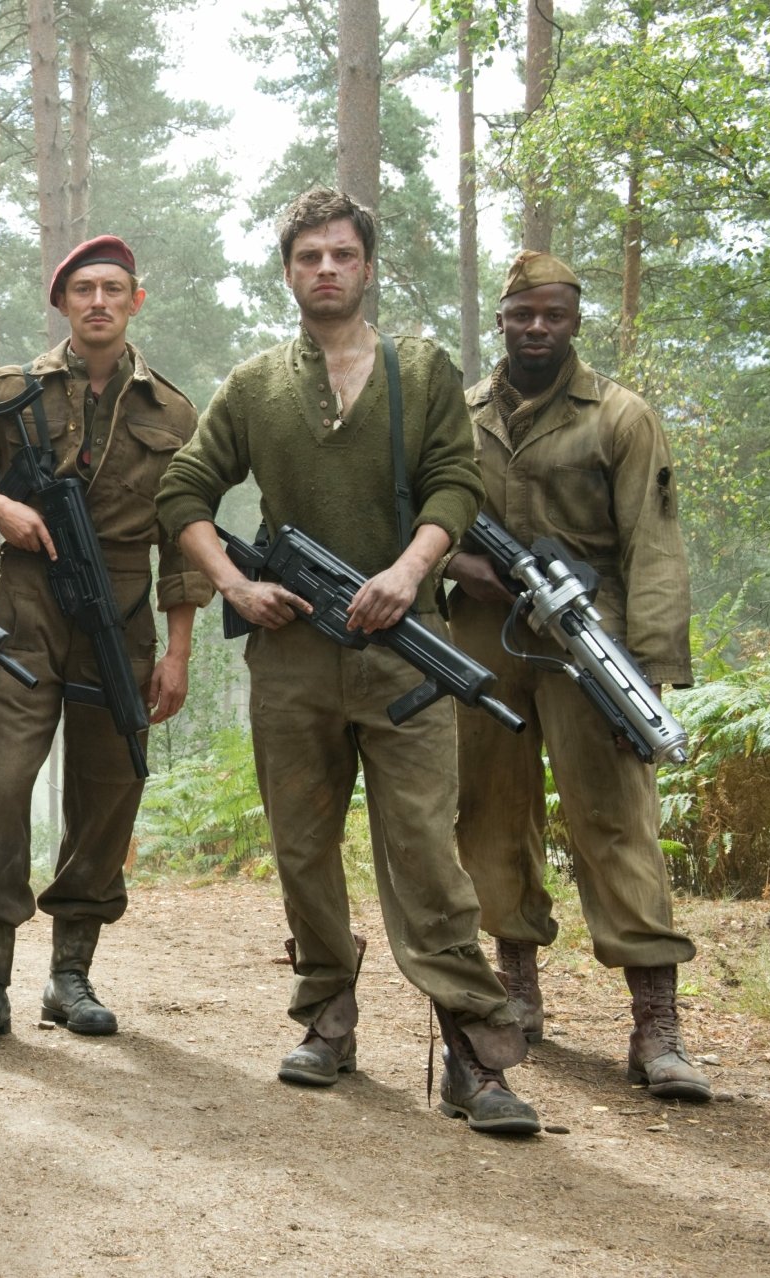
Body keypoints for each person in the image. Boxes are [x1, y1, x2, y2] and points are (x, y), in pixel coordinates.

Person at [155, 188, 540, 1134]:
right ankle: (327, 1017)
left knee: (424, 852)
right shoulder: (255, 385)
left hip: (405, 655)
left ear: (367, 267)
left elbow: (458, 481)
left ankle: (475, 1053)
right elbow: (184, 487)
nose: (325, 269)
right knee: (301, 843)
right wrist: (235, 589)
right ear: (287, 273)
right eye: (308, 257)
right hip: (291, 656)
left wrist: (412, 571)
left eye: (342, 255)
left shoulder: (422, 370)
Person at [444, 250, 708, 1100]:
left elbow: (654, 546)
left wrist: (653, 665)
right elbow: (424, 511)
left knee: (615, 819)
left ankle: (655, 1025)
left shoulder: (622, 417)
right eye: (523, 314)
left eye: (553, 315)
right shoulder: (462, 414)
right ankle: (516, 990)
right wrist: (460, 565)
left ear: (575, 322)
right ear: (502, 321)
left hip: (591, 638)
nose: (537, 328)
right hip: (487, 635)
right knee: (490, 810)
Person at [0, 234, 207, 1047]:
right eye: (83, 288)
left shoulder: (173, 410)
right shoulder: (11, 389)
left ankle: (70, 974)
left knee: (109, 788)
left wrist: (178, 650)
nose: (97, 301)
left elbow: (183, 536)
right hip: (28, 601)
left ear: (135, 301)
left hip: (120, 610)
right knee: (8, 783)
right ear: (62, 303)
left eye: (112, 289)